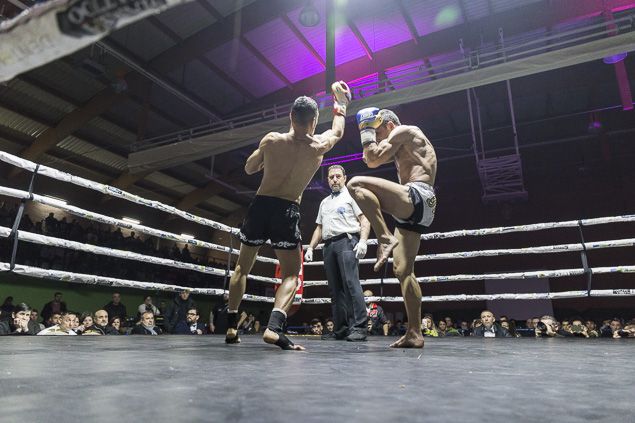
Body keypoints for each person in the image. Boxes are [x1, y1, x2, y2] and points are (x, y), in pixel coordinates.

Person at [225, 82, 351, 351]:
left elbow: (249, 168)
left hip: (260, 206)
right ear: (314, 121)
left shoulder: (271, 140)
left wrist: (264, 157)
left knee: (241, 269)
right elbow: (338, 131)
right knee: (292, 275)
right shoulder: (318, 146)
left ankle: (231, 327)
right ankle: (273, 328)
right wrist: (340, 102)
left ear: (291, 116)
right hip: (287, 210)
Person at [348, 108, 437, 348]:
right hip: (419, 207)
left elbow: (373, 159)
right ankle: (415, 332)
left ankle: (384, 237)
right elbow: (370, 158)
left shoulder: (404, 130)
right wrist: (370, 136)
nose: (377, 139)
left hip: (417, 194)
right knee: (403, 271)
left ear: (388, 125)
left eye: (379, 133)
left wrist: (366, 129)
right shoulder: (402, 145)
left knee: (355, 185)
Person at [305, 164, 370, 341]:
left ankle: (360, 327)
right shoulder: (324, 202)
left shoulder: (352, 196)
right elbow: (319, 228)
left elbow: (364, 219)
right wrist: (311, 247)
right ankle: (341, 329)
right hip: (328, 245)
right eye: (331, 177)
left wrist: (363, 240)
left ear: (344, 178)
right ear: (327, 180)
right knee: (335, 289)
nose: (334, 179)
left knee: (351, 284)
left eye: (338, 176)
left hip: (347, 241)